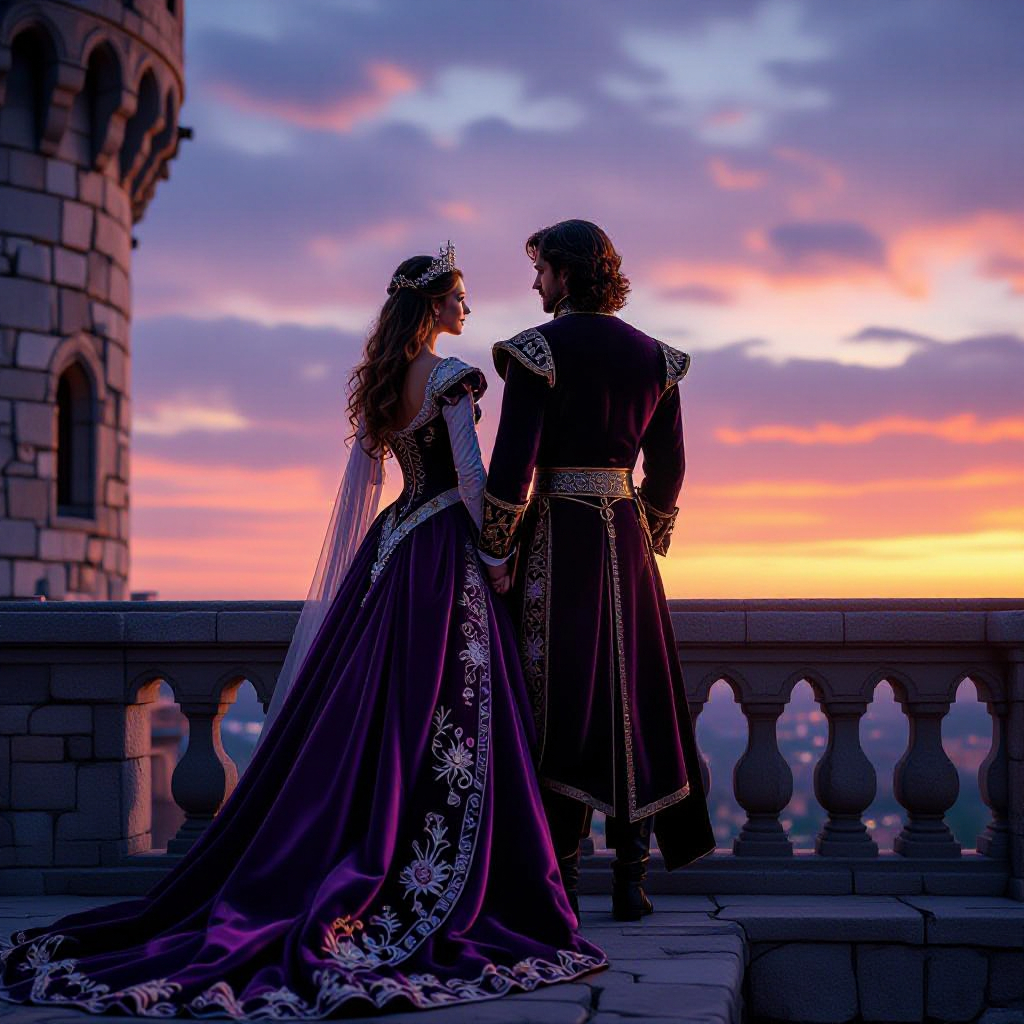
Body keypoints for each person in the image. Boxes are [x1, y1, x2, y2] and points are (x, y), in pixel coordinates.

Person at [0, 244, 606, 1018]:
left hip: (392, 554)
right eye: (458, 296)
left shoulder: (388, 382)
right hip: (444, 558)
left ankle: (370, 846)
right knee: (445, 712)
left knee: (385, 714)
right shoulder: (453, 381)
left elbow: (372, 480)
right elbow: (473, 482)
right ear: (431, 305)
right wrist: (498, 555)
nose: (467, 308)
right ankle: (442, 877)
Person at [477, 220, 715, 923]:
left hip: (558, 538)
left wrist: (496, 549)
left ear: (568, 272)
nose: (534, 281)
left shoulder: (537, 351)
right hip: (628, 539)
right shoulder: (658, 359)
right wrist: (648, 531)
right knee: (631, 697)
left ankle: (566, 883)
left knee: (561, 699)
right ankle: (632, 884)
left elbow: (510, 469)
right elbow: (669, 471)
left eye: (542, 268)